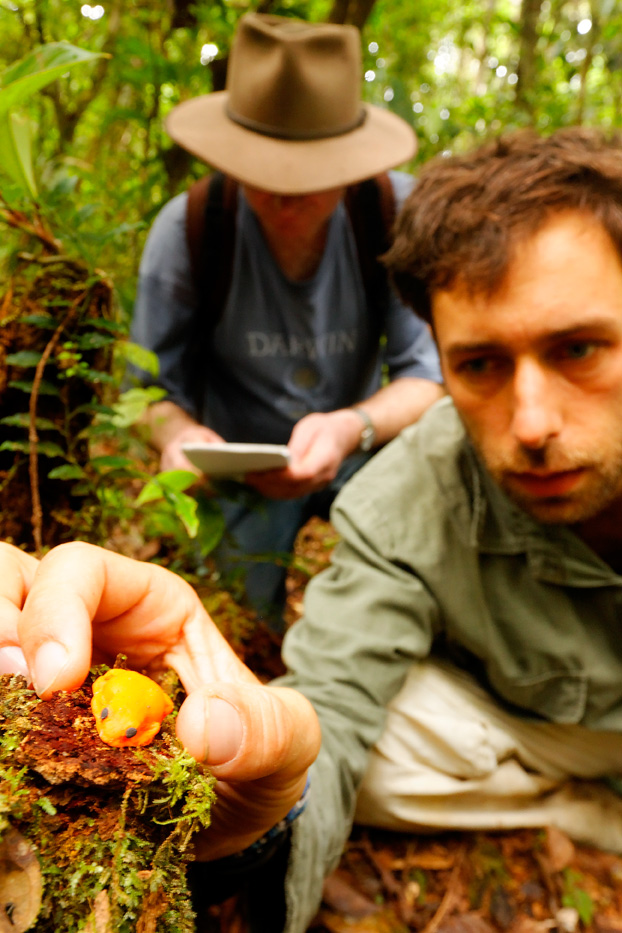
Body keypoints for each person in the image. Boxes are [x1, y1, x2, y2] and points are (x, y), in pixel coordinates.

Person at [4, 125, 622, 933]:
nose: (532, 422)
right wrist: (251, 817)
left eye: (579, 348)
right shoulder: (406, 501)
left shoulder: (383, 213)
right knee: (348, 741)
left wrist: (352, 426)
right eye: (480, 364)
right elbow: (332, 701)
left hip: (353, 451)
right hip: (541, 718)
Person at [128, 12, 443, 622]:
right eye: (261, 172)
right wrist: (179, 438)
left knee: (409, 601)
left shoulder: (396, 213)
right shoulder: (190, 228)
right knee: (232, 623)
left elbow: (428, 378)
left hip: (367, 449)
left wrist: (351, 428)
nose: (283, 196)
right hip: (239, 472)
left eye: (309, 178)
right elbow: (147, 392)